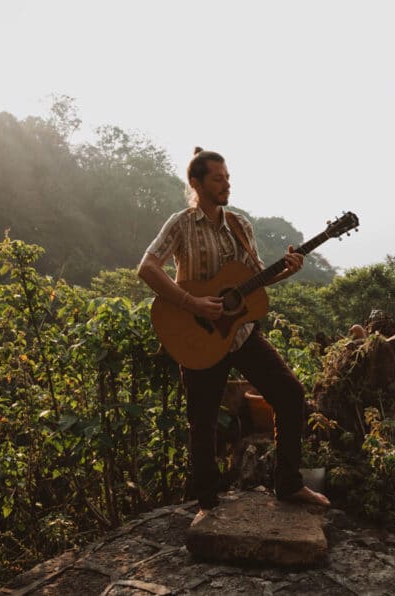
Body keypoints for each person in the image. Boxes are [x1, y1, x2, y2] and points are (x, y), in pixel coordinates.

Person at [137, 147, 330, 518]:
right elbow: (147, 268)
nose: (227, 184)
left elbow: (252, 279)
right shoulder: (180, 223)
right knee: (203, 420)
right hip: (197, 335)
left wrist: (286, 270)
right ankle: (207, 503)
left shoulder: (241, 226)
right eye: (218, 178)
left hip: (239, 333)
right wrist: (193, 304)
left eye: (227, 177)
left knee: (290, 394)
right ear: (196, 183)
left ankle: (288, 483)